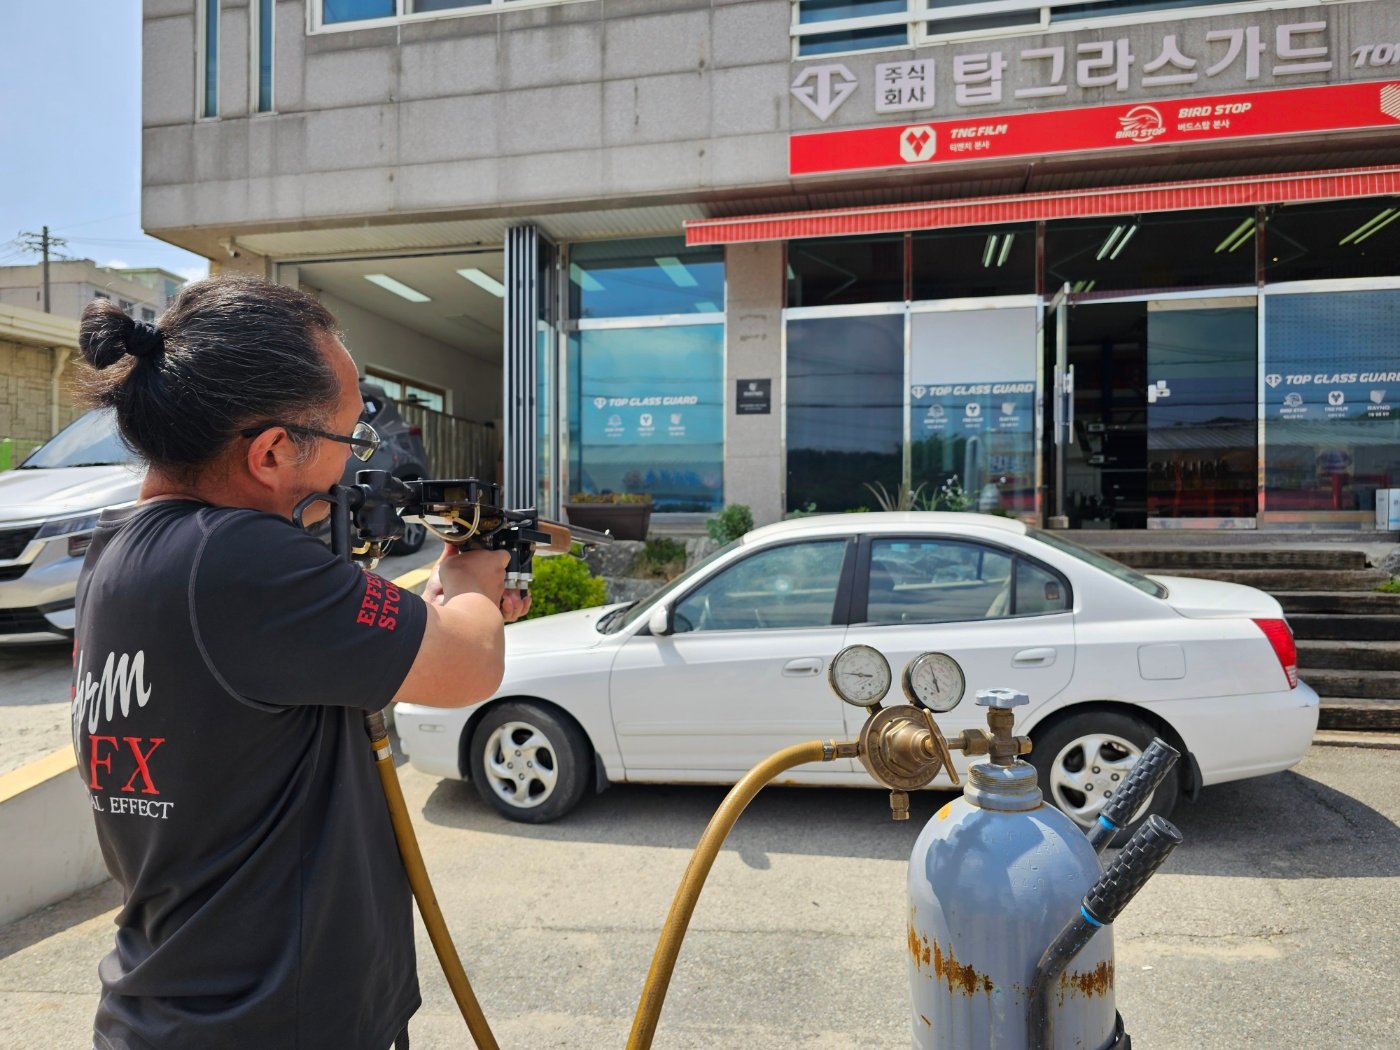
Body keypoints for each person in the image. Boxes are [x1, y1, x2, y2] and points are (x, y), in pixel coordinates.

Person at [71, 275, 526, 1050]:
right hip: (272, 1020)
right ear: (273, 450)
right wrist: (474, 580)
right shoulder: (240, 557)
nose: (350, 469)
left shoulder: (123, 552)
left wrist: (440, 604)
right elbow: (468, 667)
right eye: (349, 441)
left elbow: (291, 653)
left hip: (176, 1009)